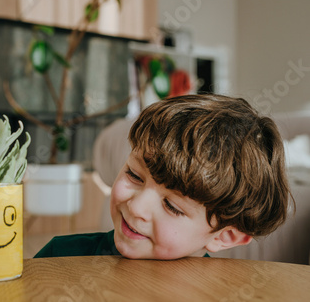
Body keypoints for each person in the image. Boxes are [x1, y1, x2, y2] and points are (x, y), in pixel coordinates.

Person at [34, 94, 292, 259]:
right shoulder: (60, 256)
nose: (136, 206)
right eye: (134, 175)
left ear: (224, 236)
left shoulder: (223, 300)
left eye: (171, 205)